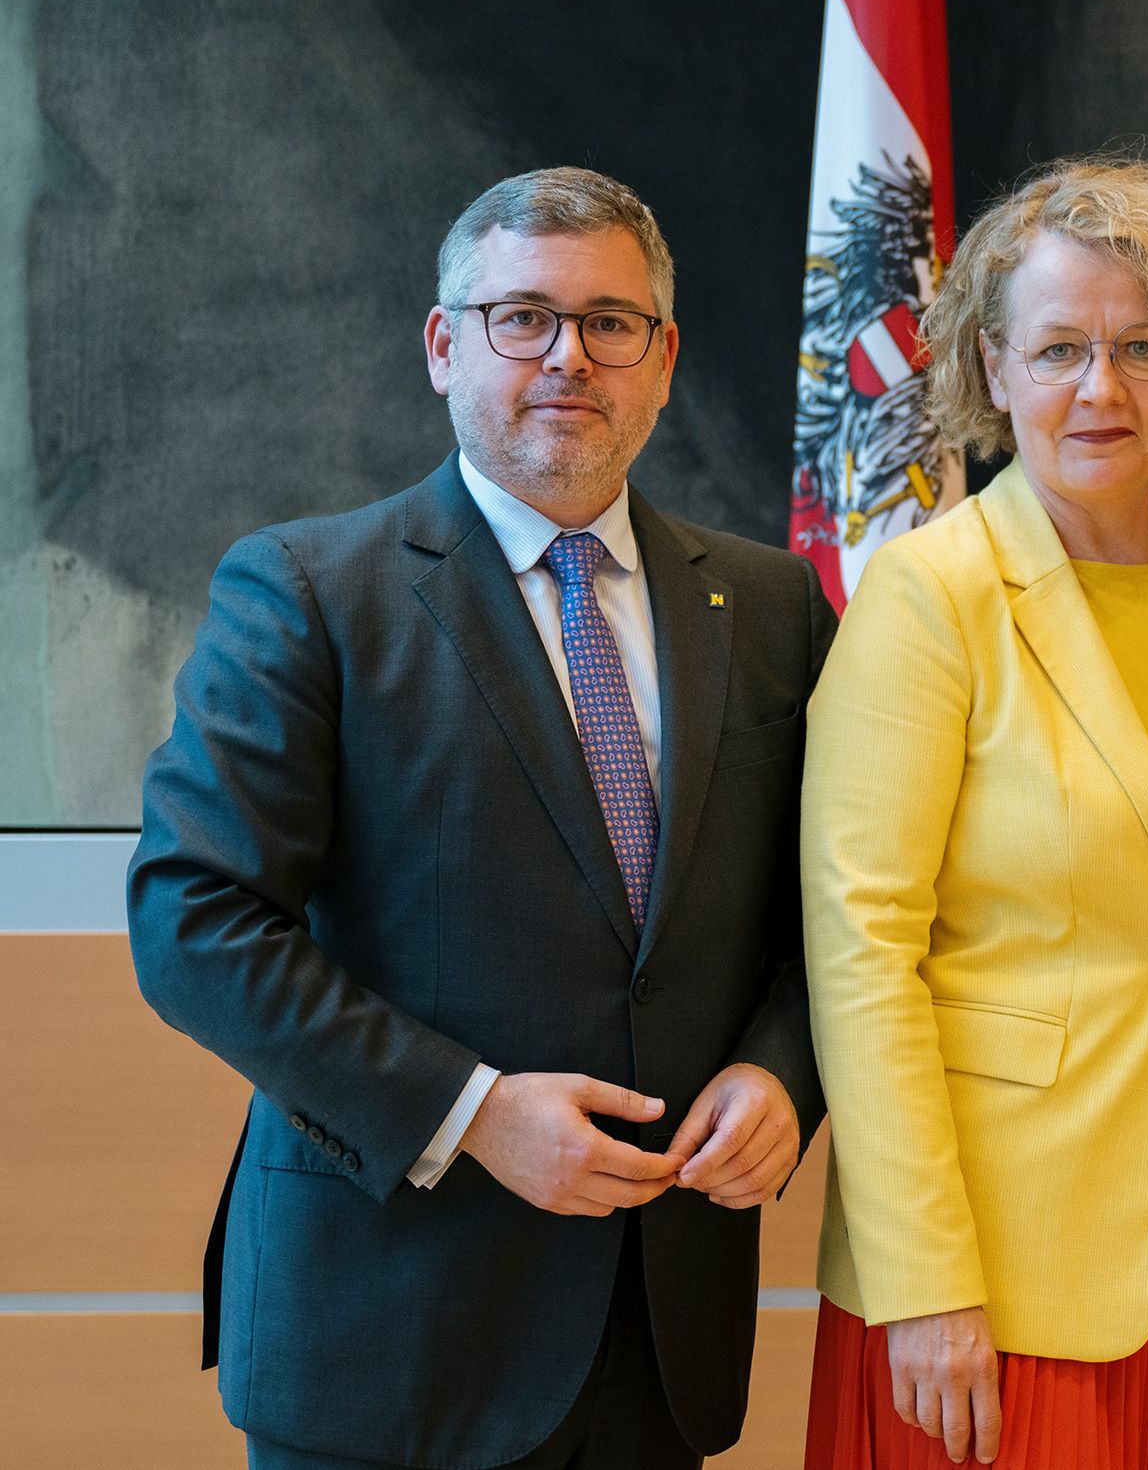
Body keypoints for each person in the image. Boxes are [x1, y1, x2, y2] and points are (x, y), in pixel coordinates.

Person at [128, 167, 835, 1469]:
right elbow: (193, 920)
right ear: (446, 345)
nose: (568, 356)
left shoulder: (773, 604)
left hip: (657, 1333)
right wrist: (470, 1109)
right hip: (388, 1333)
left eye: (609, 322)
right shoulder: (308, 590)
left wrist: (785, 1069)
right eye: (522, 317)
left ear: (663, 358)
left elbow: (831, 910)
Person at [799, 158, 1148, 1470]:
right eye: (1059, 349)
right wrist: (924, 1277)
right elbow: (863, 952)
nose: (1100, 389)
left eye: (1140, 348)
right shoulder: (931, 598)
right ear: (992, 363)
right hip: (988, 1280)